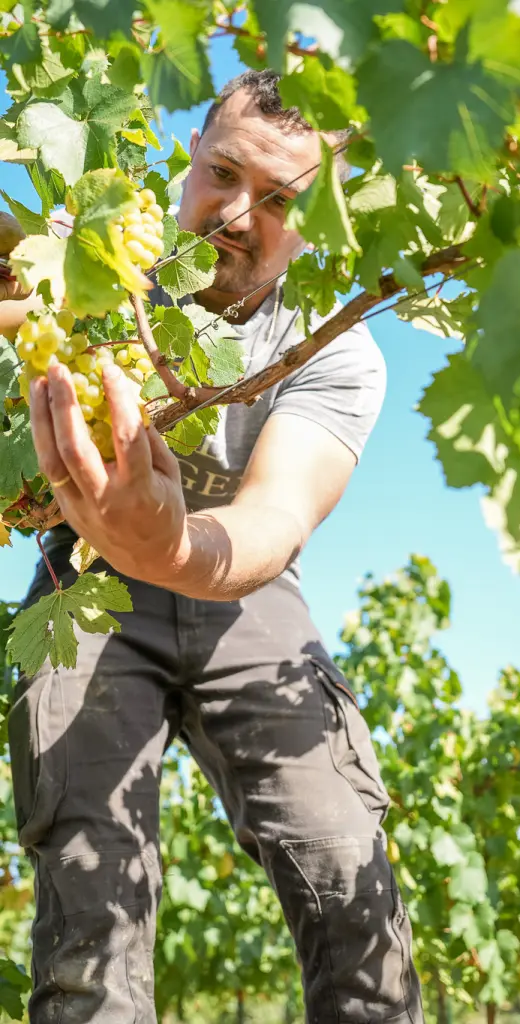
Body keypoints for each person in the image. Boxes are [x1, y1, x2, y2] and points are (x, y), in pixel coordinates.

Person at [1, 69, 425, 1023]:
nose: (239, 213)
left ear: (322, 222)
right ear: (189, 156)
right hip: (88, 593)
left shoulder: (337, 345)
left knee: (351, 891)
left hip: (249, 603)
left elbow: (273, 521)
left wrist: (171, 545)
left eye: (282, 200)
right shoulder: (94, 272)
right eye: (225, 174)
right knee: (87, 929)